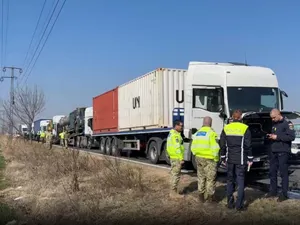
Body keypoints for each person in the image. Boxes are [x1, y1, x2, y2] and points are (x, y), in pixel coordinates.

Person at [220, 109, 253, 211]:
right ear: (241, 118)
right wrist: (250, 158)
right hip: (241, 159)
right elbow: (248, 145)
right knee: (240, 181)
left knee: (229, 180)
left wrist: (223, 157)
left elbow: (222, 144)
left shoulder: (226, 128)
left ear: (232, 117)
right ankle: (239, 206)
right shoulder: (245, 128)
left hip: (229, 159)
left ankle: (229, 204)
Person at [266, 108, 295, 202]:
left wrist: (277, 137)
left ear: (279, 114)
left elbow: (291, 137)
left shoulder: (287, 123)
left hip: (283, 151)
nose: (272, 119)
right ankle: (273, 191)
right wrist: (271, 136)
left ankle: (284, 194)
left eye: (274, 117)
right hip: (273, 151)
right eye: (271, 118)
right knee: (272, 172)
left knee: (283, 173)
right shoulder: (274, 123)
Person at [191, 116, 220, 203]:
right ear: (210, 123)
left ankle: (201, 196)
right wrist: (216, 159)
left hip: (199, 158)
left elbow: (193, 147)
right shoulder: (211, 133)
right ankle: (210, 198)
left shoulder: (197, 133)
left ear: (203, 123)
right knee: (210, 178)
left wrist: (197, 155)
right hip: (209, 159)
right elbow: (215, 148)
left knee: (201, 177)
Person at [166, 120, 185, 198]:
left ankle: (173, 191)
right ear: (176, 126)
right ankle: (173, 193)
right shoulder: (175, 135)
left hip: (173, 157)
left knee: (174, 174)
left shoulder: (171, 133)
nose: (182, 127)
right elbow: (177, 148)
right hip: (176, 158)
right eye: (181, 125)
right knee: (176, 175)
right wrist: (181, 158)